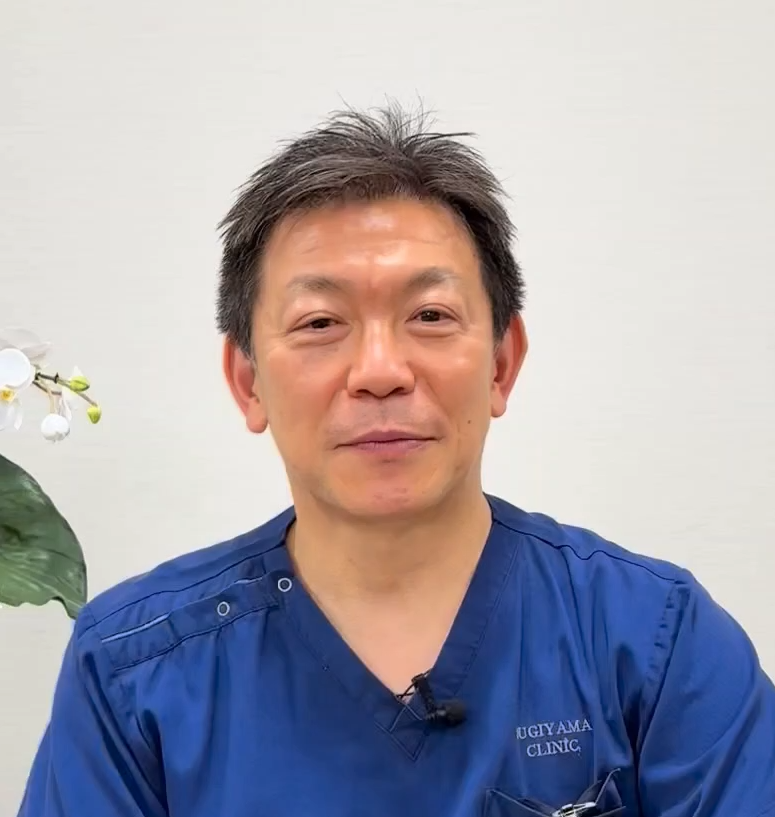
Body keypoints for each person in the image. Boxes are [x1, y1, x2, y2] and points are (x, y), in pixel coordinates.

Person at [18, 103, 775, 817]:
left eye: (430, 315)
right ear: (248, 382)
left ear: (502, 363)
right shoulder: (132, 669)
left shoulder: (657, 639)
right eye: (320, 322)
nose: (379, 370)